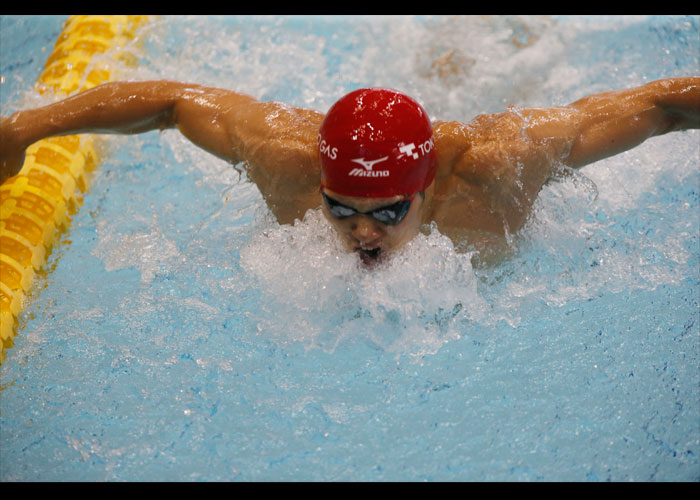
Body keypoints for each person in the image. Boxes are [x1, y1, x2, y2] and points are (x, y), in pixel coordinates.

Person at [1, 77, 698, 265]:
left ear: (427, 191)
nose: (362, 232)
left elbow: (660, 107)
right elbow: (172, 103)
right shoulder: (285, 158)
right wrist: (21, 131)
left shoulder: (499, 166)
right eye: (341, 209)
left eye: (389, 211)